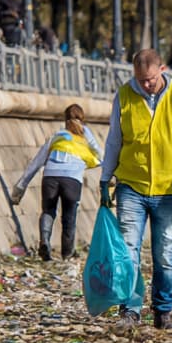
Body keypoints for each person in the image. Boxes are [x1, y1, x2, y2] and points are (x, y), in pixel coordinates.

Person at [101, 49, 172, 330]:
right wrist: (104, 178)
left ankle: (163, 312)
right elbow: (114, 141)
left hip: (168, 190)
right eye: (141, 79)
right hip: (131, 186)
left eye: (150, 79)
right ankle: (130, 311)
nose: (146, 84)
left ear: (163, 69)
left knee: (164, 254)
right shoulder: (124, 96)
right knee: (129, 251)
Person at [11, 104, 103, 261]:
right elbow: (99, 153)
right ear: (82, 119)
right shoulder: (84, 137)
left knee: (48, 211)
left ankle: (45, 242)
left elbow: (37, 162)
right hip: (72, 179)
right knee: (69, 217)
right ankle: (67, 253)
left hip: (50, 176)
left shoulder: (57, 136)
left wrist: (21, 186)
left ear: (65, 120)